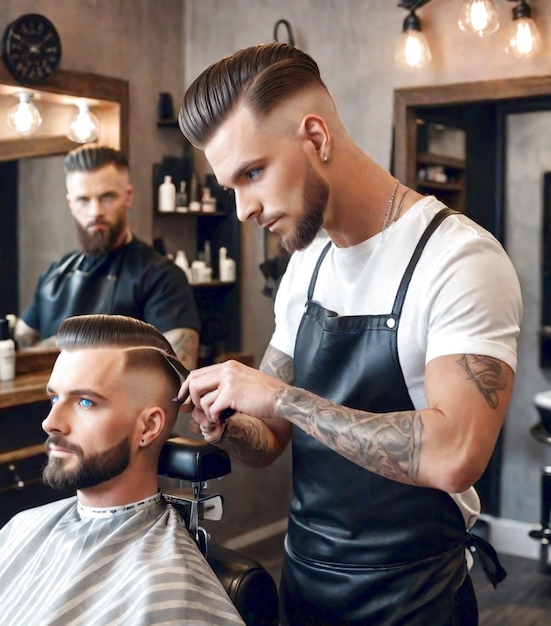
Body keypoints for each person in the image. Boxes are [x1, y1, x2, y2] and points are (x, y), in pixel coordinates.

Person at [176, 42, 523, 625]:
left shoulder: (458, 258)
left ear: (316, 137)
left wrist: (281, 396)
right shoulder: (305, 267)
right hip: (306, 582)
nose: (241, 210)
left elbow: (456, 454)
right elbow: (271, 439)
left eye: (252, 173)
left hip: (414, 597)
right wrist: (227, 424)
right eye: (230, 185)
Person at [0, 313, 244, 625]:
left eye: (85, 402)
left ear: (148, 427)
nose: (50, 423)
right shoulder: (24, 525)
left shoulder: (162, 585)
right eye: (54, 399)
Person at [14, 145, 200, 370]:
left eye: (107, 197)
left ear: (127, 196)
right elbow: (19, 346)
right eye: (83, 199)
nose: (95, 211)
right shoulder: (54, 275)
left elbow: (177, 374)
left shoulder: (162, 277)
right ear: (71, 204)